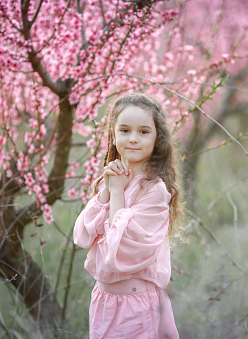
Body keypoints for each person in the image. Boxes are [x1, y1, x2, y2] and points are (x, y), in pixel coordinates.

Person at [73, 93, 182, 338]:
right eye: (124, 130)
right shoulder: (114, 180)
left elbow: (119, 254)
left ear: (157, 138)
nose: (133, 139)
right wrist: (108, 191)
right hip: (104, 301)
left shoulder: (155, 191)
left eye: (144, 131)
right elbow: (81, 235)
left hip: (136, 306)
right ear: (113, 135)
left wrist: (116, 193)